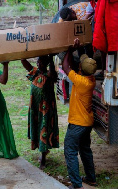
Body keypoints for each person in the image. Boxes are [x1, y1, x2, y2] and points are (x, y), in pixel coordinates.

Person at [62, 38, 97, 189]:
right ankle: (91, 178)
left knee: (70, 150)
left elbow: (65, 66)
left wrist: (69, 49)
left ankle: (77, 185)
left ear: (81, 69)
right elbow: (77, 66)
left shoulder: (81, 81)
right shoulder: (90, 79)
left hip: (78, 123)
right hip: (87, 123)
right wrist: (80, 49)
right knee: (85, 149)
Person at [21, 55, 59, 170]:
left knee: (44, 130)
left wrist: (51, 59)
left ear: (47, 64)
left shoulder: (50, 75)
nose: (38, 64)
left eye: (41, 62)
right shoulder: (35, 73)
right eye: (38, 62)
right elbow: (23, 60)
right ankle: (43, 151)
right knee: (38, 129)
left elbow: (53, 73)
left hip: (45, 110)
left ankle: (43, 158)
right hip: (35, 109)